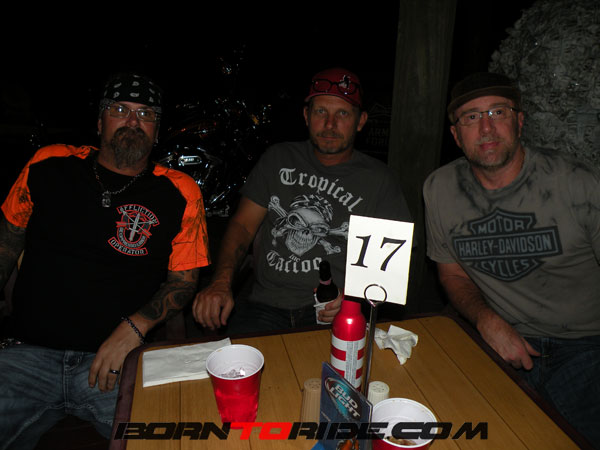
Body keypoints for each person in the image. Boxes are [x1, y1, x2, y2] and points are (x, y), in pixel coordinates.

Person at [0, 72, 210, 449]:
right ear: (99, 122)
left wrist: (134, 328)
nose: (132, 121)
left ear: (157, 131)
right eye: (119, 110)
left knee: (174, 440)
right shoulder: (48, 164)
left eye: (145, 114)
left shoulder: (179, 191)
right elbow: (5, 247)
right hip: (27, 354)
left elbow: (183, 283)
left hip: (118, 363)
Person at [423, 72, 600, 446]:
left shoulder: (579, 182)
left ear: (520, 121)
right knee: (454, 426)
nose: (486, 128)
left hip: (586, 344)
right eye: (471, 117)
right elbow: (452, 274)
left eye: (498, 112)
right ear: (456, 135)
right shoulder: (440, 189)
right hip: (501, 338)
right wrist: (486, 319)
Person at [193, 67, 411, 333]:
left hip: (335, 310)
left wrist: (354, 300)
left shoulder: (379, 180)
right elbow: (243, 226)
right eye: (321, 112)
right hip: (265, 305)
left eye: (342, 113)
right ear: (306, 115)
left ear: (361, 121)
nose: (330, 124)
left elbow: (391, 264)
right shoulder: (277, 159)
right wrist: (220, 283)